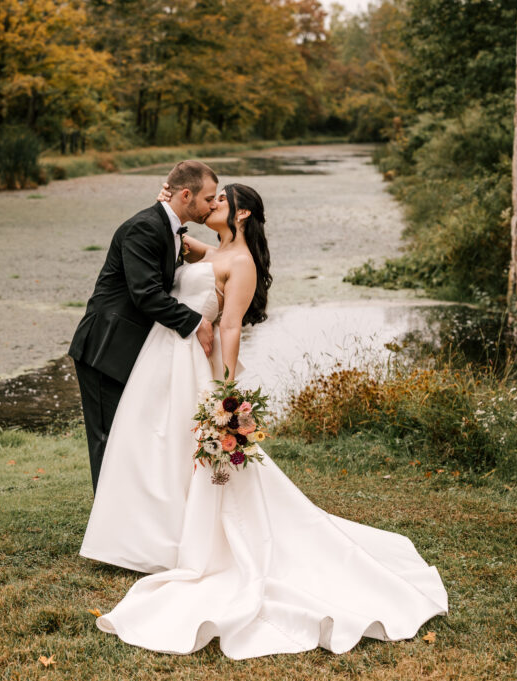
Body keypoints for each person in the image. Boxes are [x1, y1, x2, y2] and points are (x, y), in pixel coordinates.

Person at [81, 183, 449, 658]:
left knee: (192, 450)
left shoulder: (242, 264)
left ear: (243, 212)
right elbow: (174, 231)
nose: (211, 205)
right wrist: (168, 201)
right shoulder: (212, 250)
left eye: (219, 201)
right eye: (207, 199)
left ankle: (188, 541)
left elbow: (230, 326)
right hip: (161, 361)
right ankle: (152, 538)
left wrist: (227, 394)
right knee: (154, 445)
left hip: (196, 363)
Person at [68, 160, 219, 493]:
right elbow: (145, 294)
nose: (213, 205)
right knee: (107, 438)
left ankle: (127, 516)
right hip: (105, 348)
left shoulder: (171, 227)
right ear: (185, 194)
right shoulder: (145, 227)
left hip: (132, 350)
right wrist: (195, 323)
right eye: (209, 198)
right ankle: (107, 527)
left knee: (131, 436)